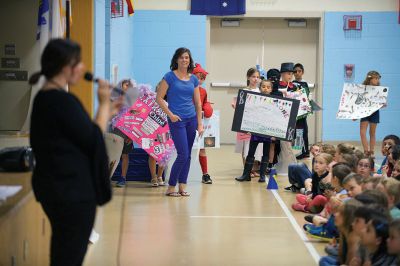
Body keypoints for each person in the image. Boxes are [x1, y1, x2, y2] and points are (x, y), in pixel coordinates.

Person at [29, 39, 119, 265]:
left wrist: (106, 112)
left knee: (63, 250)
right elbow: (93, 139)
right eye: (77, 63)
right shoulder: (61, 101)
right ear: (65, 66)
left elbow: (79, 135)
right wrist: (104, 105)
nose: (82, 68)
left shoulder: (45, 99)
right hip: (70, 192)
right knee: (69, 255)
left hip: (57, 189)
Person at [156, 47, 204, 197]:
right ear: (176, 59)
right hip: (177, 120)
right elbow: (159, 99)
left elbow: (198, 103)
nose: (185, 60)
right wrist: (170, 115)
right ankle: (171, 187)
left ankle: (182, 186)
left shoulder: (194, 79)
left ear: (190, 61)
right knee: (183, 154)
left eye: (187, 57)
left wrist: (200, 124)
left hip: (191, 120)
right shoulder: (169, 77)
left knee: (188, 154)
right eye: (182, 57)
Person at [235, 80, 274, 183]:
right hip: (256, 130)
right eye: (263, 86)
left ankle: (262, 175)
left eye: (268, 87)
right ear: (260, 88)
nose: (266, 88)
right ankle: (246, 174)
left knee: (265, 152)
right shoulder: (254, 99)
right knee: (251, 152)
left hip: (267, 130)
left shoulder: (274, 102)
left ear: (271, 89)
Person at [232, 67, 263, 175]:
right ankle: (246, 169)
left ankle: (252, 169)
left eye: (258, 77)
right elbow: (236, 105)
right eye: (253, 76)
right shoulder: (244, 91)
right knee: (245, 145)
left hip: (257, 123)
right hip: (245, 123)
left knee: (255, 146)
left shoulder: (260, 91)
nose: (255, 79)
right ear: (248, 77)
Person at [110, 79, 136, 187]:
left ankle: (123, 177)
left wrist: (133, 135)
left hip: (129, 131)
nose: (127, 86)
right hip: (117, 129)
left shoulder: (136, 100)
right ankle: (108, 176)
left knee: (125, 155)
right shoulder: (115, 98)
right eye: (125, 84)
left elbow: (138, 118)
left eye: (129, 85)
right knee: (113, 154)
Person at [192, 63, 214, 184]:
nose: (200, 80)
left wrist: (207, 107)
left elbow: (205, 103)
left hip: (199, 124)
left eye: (202, 78)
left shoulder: (203, 91)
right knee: (184, 151)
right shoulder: (187, 88)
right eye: (198, 77)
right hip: (187, 122)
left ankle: (205, 174)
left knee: (202, 148)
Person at [357, 71, 382, 157]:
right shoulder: (363, 88)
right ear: (370, 78)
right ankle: (366, 151)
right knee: (362, 132)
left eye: (378, 78)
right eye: (376, 78)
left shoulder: (380, 90)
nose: (377, 80)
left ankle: (371, 151)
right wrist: (355, 114)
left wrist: (383, 104)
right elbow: (358, 101)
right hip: (364, 111)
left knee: (372, 133)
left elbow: (381, 103)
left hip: (374, 112)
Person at [292, 63, 311, 159]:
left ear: (302, 72)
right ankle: (299, 150)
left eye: (299, 71)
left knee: (302, 130)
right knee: (296, 130)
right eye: (295, 71)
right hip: (295, 111)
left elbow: (307, 96)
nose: (297, 73)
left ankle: (305, 151)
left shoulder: (304, 83)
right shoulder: (291, 84)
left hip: (303, 111)